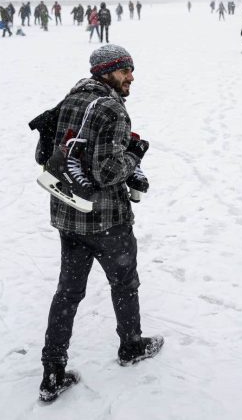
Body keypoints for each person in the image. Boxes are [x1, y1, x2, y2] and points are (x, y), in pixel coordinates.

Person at [38, 44, 164, 402]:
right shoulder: (111, 110)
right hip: (107, 219)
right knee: (125, 283)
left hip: (68, 215)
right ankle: (132, 347)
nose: (131, 77)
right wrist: (133, 157)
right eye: (125, 71)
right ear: (107, 72)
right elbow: (107, 171)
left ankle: (52, 371)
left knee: (67, 293)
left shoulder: (74, 96)